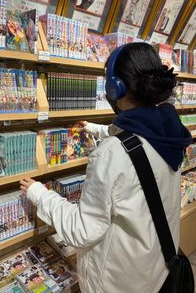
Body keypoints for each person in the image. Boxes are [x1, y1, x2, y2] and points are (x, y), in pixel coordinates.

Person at [20, 43, 192, 293]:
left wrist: (39, 194)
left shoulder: (111, 153)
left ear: (114, 87)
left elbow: (82, 230)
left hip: (118, 281)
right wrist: (92, 127)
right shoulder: (170, 132)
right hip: (154, 269)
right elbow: (136, 142)